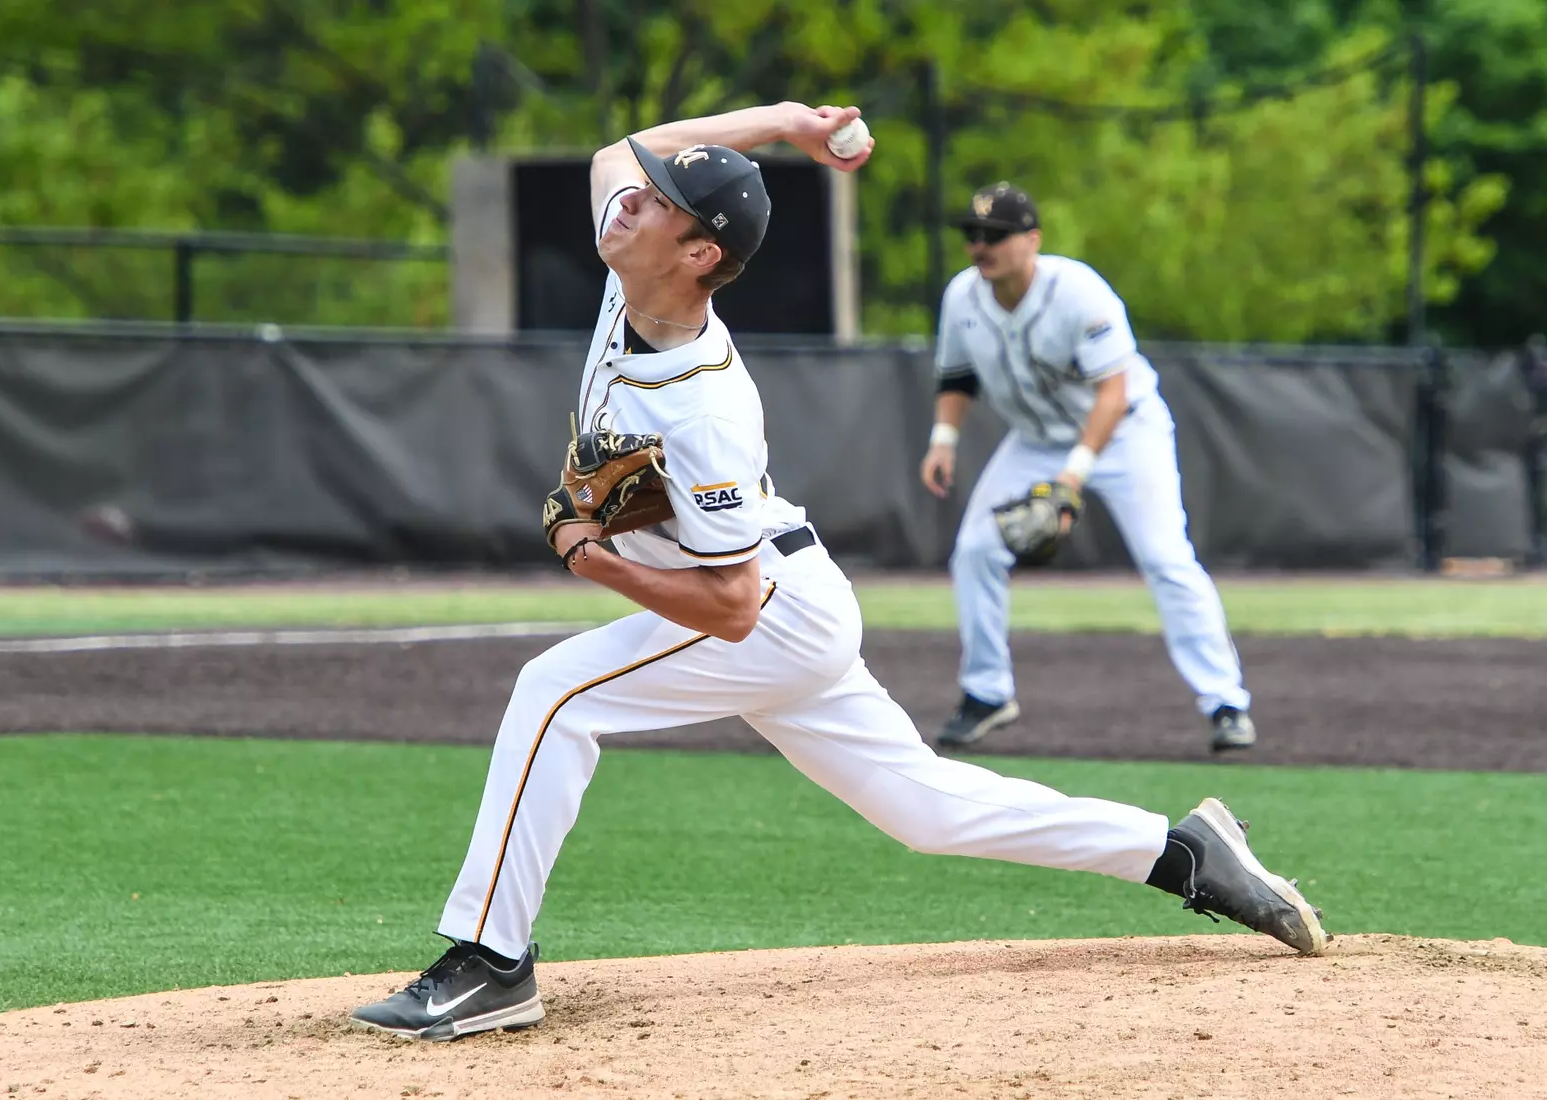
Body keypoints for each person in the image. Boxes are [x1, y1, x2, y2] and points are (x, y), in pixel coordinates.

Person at [349, 106, 1328, 1043]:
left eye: (655, 203)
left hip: (766, 612)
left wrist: (590, 556)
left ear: (698, 257)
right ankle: (1179, 852)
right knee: (926, 809)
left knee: (554, 693)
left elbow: (732, 609)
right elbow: (625, 148)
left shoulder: (707, 407)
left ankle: (491, 961)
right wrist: (786, 121)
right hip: (797, 600)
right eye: (639, 194)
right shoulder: (632, 256)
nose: (627, 200)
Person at [921, 182, 1257, 754]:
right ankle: (986, 693)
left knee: (1166, 558)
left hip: (1126, 431)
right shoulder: (963, 297)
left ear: (1032, 240)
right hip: (1034, 441)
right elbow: (957, 376)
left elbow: (1113, 393)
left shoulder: (1077, 291)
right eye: (972, 235)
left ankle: (1226, 703)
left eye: (995, 236)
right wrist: (944, 439)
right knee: (975, 551)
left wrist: (1072, 477)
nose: (981, 246)